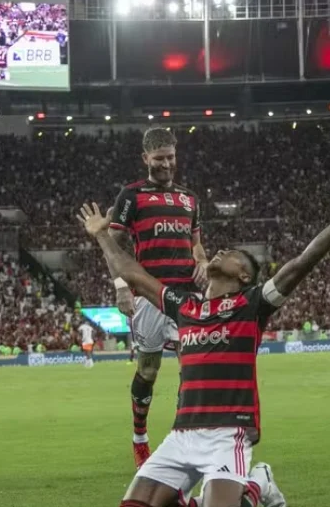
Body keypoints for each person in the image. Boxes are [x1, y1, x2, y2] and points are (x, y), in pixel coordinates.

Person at [78, 164, 330, 507]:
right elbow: (132, 272)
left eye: (232, 255)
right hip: (181, 435)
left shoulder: (251, 305)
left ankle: (257, 482)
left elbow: (302, 262)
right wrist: (102, 235)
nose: (220, 252)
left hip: (227, 435)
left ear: (243, 275)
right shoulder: (184, 306)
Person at [108, 127, 209, 468]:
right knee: (148, 370)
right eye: (159, 158)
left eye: (171, 157)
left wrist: (203, 260)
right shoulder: (131, 196)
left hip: (186, 295)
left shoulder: (189, 198)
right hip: (149, 293)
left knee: (192, 369)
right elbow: (114, 245)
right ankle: (140, 437)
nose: (166, 164)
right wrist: (121, 286)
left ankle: (187, 439)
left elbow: (196, 244)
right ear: (145, 159)